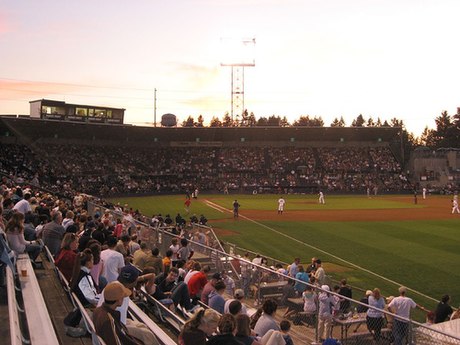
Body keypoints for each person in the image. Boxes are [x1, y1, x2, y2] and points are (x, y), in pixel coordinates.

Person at [98, 265, 158, 345]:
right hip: (116, 325)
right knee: (147, 334)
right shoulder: (121, 297)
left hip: (111, 319)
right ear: (134, 281)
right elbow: (122, 327)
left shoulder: (112, 286)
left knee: (142, 325)